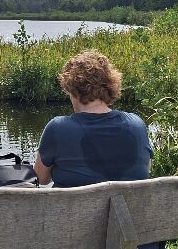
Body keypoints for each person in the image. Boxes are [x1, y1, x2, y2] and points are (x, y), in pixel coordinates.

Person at [34, 50, 152, 188]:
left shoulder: (58, 128)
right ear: (110, 87)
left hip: (74, 203)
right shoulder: (137, 125)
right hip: (132, 203)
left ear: (73, 90)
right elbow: (145, 168)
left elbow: (40, 179)